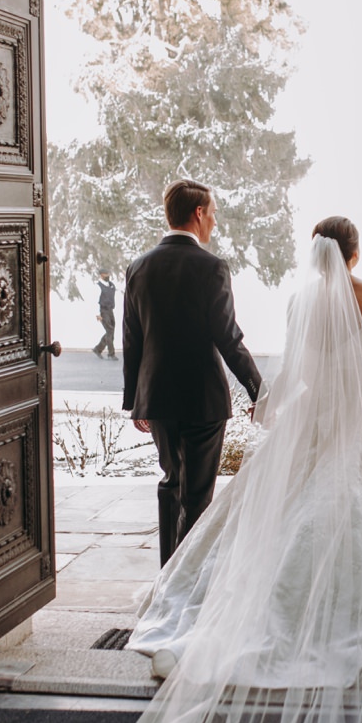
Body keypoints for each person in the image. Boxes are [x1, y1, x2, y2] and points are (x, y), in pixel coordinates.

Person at [71, 217, 362, 723]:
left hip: (308, 419)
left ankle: (199, 589)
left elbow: (298, 366)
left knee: (235, 505)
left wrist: (272, 401)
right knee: (348, 506)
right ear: (356, 251)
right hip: (359, 421)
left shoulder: (300, 299)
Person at [122, 179, 262, 567]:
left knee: (171, 484)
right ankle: (186, 583)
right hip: (203, 399)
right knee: (198, 495)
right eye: (213, 213)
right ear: (198, 213)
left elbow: (132, 339)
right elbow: (228, 338)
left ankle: (169, 572)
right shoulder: (212, 266)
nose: (214, 222)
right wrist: (258, 391)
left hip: (158, 399)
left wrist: (136, 400)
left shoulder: (138, 267)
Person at [91, 269, 117, 359]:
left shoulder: (111, 285)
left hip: (110, 310)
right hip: (103, 311)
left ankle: (98, 349)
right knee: (109, 330)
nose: (108, 275)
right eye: (106, 274)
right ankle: (111, 353)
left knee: (111, 331)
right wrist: (97, 314)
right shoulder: (98, 286)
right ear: (101, 275)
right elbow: (95, 300)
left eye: (108, 273)